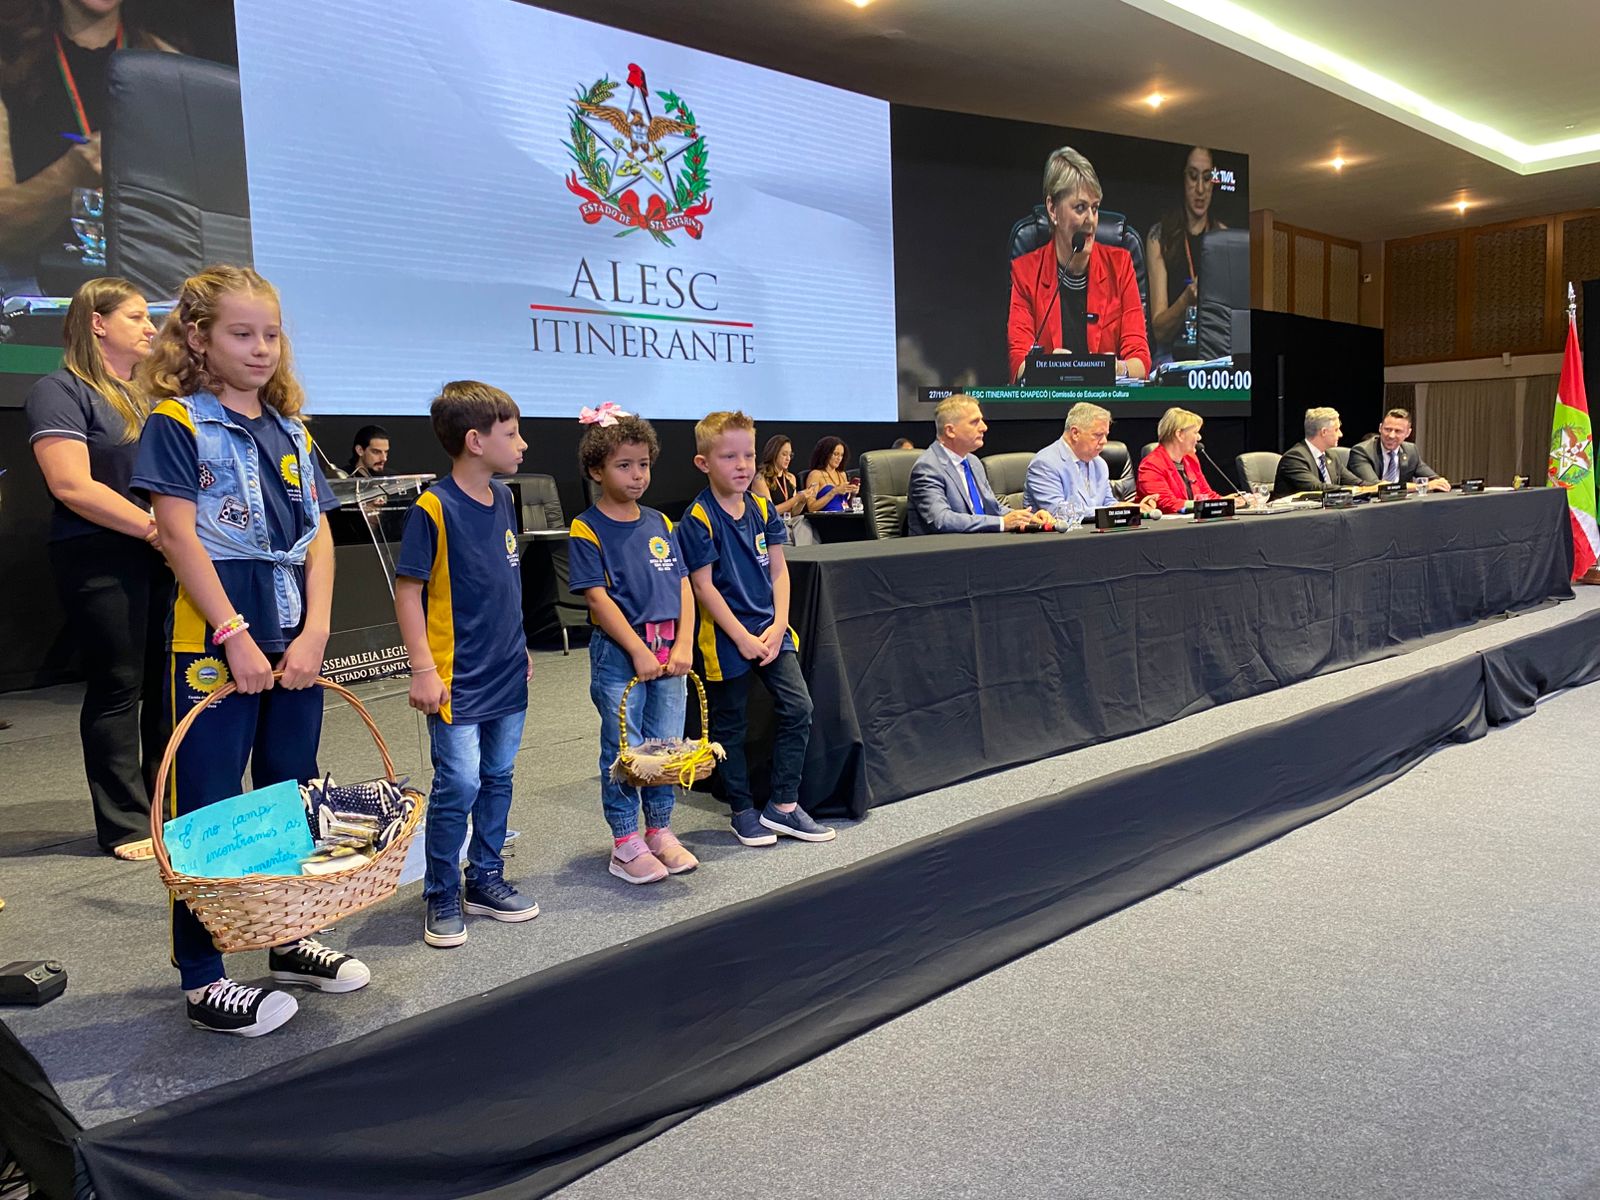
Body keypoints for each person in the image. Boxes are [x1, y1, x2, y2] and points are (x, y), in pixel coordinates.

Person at [131, 264, 363, 1037]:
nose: (261, 348)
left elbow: (319, 534)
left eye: (270, 333)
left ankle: (286, 936)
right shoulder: (178, 422)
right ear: (197, 337)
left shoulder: (290, 428)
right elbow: (176, 532)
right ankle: (204, 977)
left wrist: (317, 630)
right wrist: (232, 634)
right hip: (214, 641)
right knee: (211, 805)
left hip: (293, 634)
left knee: (291, 789)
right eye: (241, 333)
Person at [26, 276, 168, 858]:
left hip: (159, 553)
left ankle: (170, 808)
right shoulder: (59, 390)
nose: (152, 328)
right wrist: (155, 528)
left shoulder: (147, 395)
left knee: (168, 684)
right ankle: (126, 823)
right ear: (97, 322)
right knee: (119, 685)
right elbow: (71, 484)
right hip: (100, 555)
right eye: (137, 317)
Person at [395, 381, 538, 948]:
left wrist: (521, 640)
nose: (523, 445)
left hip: (507, 670)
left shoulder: (504, 498)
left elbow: (504, 580)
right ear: (475, 441)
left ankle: (485, 877)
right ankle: (441, 889)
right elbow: (409, 593)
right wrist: (423, 668)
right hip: (457, 679)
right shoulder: (432, 507)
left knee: (499, 777)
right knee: (459, 783)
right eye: (512, 434)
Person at [678, 411, 834, 847]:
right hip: (727, 638)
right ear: (703, 463)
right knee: (730, 727)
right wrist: (742, 636)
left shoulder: (764, 507)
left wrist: (779, 623)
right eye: (729, 456)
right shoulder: (698, 519)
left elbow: (779, 572)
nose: (743, 465)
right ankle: (742, 810)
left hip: (771, 631)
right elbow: (703, 587)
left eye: (748, 454)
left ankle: (783, 805)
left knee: (798, 708)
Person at [568, 409, 697, 883]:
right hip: (621, 654)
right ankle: (625, 842)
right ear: (597, 470)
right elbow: (598, 600)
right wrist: (639, 650)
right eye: (624, 465)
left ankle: (660, 831)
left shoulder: (661, 520)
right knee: (625, 748)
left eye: (643, 464)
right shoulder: (587, 528)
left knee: (666, 747)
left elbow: (684, 585)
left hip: (670, 651)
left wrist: (683, 640)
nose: (637, 474)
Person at [0, 1, 175, 292]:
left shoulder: (169, 69)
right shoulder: (7, 64)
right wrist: (72, 174)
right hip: (30, 289)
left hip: (140, 288)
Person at [1007, 146, 1150, 384]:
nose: (1091, 221)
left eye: (1094, 208)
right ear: (1052, 209)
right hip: (1051, 410)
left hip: (1107, 411)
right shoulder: (1026, 272)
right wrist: (1048, 368)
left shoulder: (1121, 266)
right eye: (1080, 208)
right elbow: (1018, 365)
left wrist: (1117, 368)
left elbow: (1141, 362)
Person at [909, 395, 1043, 535]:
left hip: (981, 545)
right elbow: (942, 520)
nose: (984, 427)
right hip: (943, 552)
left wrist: (1028, 518)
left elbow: (993, 508)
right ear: (950, 431)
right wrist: (1002, 523)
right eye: (974, 422)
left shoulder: (973, 461)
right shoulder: (927, 468)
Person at [1146, 147, 1228, 362]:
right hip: (1171, 352)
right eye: (1193, 177)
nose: (1200, 189)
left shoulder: (1224, 238)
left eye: (1207, 178)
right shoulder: (1159, 236)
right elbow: (1159, 330)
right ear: (1182, 181)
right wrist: (1187, 299)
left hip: (1215, 351)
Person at [1026, 402, 1160, 523]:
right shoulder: (1044, 464)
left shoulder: (1099, 464)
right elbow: (1058, 513)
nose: (1104, 441)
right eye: (1098, 435)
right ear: (1075, 433)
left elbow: (1107, 503)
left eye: (1106, 435)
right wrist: (1113, 512)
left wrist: (1130, 508)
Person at [1136, 406, 1238, 513]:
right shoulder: (1151, 465)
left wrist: (1228, 501)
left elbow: (1206, 494)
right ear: (1179, 434)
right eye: (1195, 432)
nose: (1199, 437)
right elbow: (1167, 503)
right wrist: (1206, 504)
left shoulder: (1190, 459)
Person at [1273, 407, 1370, 498]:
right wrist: (1355, 490)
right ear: (1324, 432)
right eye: (1336, 430)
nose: (1341, 434)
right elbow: (1316, 488)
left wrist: (1378, 486)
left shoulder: (1331, 456)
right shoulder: (1294, 458)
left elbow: (1357, 482)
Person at [1348, 408, 1450, 491]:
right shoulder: (1361, 451)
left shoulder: (1411, 450)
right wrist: (1422, 486)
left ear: (1408, 433)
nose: (1391, 435)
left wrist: (1440, 482)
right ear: (1380, 428)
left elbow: (1434, 478)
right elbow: (1377, 486)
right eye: (1387, 429)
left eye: (1398, 431)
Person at [752, 434, 816, 516]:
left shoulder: (791, 478)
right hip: (772, 525)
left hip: (789, 524)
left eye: (790, 455)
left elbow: (793, 513)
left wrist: (802, 501)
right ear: (774, 454)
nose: (788, 458)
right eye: (784, 454)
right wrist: (796, 498)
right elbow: (770, 513)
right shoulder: (760, 479)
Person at [802, 436, 859, 513]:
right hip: (826, 519)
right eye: (836, 454)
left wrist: (852, 494)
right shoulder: (815, 475)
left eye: (841, 455)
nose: (839, 458)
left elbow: (845, 503)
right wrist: (833, 492)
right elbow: (811, 507)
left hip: (844, 515)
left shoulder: (842, 474)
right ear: (826, 454)